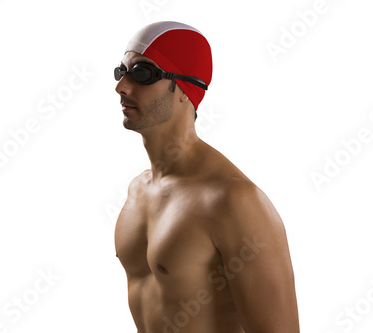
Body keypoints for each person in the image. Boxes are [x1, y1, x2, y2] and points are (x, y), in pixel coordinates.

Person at [114, 21, 299, 333]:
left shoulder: (234, 202)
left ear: (187, 89)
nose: (122, 86)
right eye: (122, 71)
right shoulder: (138, 190)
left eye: (144, 73)